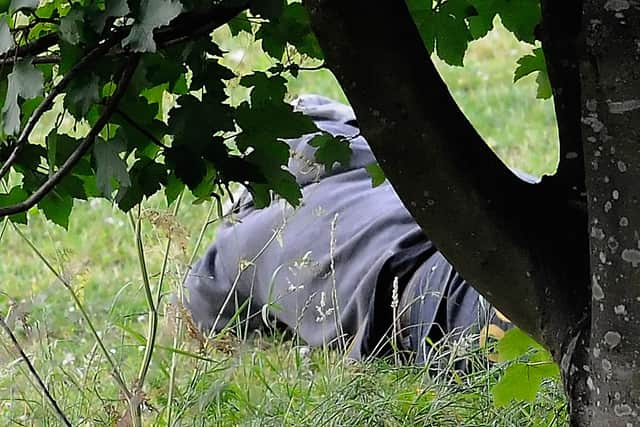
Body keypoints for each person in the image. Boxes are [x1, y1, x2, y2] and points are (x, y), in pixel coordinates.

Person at [184, 95, 517, 364]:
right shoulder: (408, 163)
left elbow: (196, 316)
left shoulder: (245, 240)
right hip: (499, 242)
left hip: (433, 293)